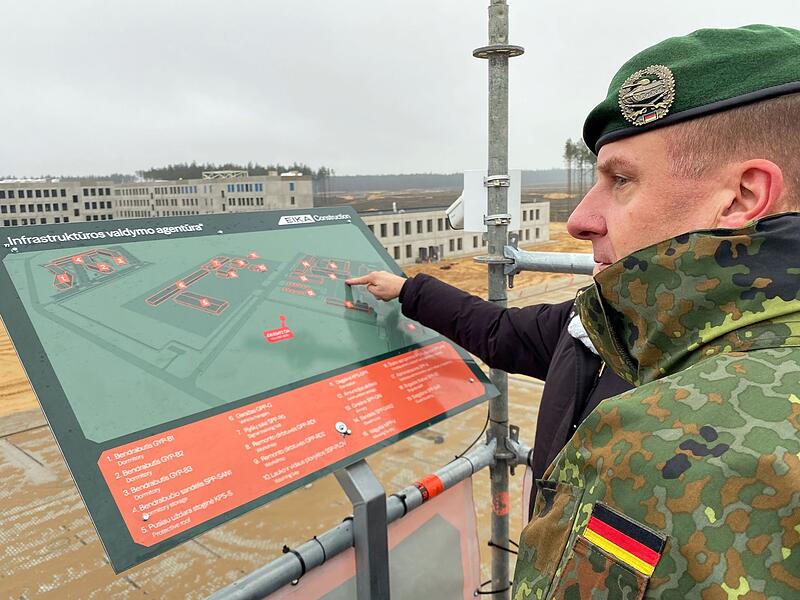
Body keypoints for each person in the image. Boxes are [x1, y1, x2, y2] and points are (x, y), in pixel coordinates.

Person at [355, 23, 800, 598]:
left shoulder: (674, 442)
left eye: (622, 180)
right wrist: (409, 289)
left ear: (743, 196)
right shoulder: (609, 326)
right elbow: (499, 331)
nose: (579, 220)